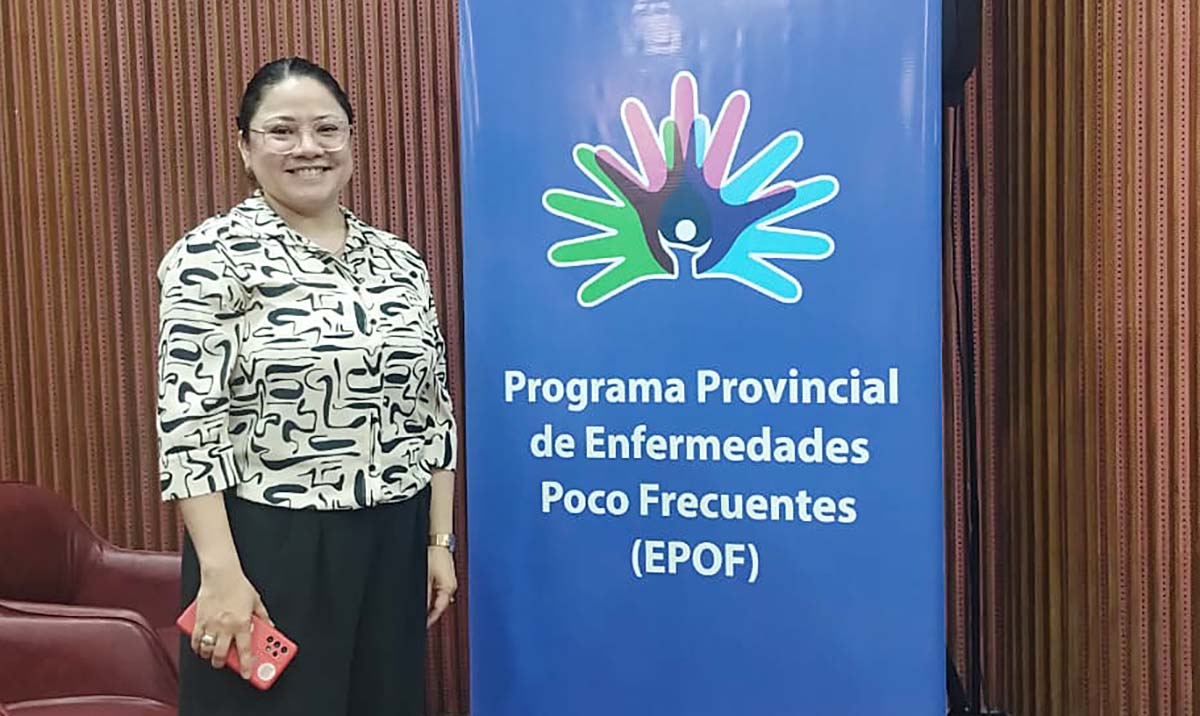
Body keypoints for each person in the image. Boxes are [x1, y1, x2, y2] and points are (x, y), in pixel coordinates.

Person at [155, 56, 458, 716]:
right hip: (272, 545)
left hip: (394, 541)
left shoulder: (400, 261)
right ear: (245, 145)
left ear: (351, 139)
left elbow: (432, 412)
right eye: (282, 131)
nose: (308, 147)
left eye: (327, 129)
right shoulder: (211, 256)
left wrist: (438, 542)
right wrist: (221, 572)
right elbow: (189, 427)